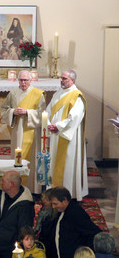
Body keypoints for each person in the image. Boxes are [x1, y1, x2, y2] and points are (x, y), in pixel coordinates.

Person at [1, 70, 46, 193]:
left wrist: (27, 112)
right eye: (21, 80)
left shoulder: (38, 94)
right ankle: (16, 187)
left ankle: (32, 189)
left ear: (30, 81)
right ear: (18, 80)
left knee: (31, 158)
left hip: (32, 132)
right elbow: (4, 109)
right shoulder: (13, 93)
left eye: (26, 80)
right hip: (18, 131)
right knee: (17, 158)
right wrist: (13, 112)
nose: (23, 82)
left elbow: (43, 113)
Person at [46, 70, 87, 201]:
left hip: (68, 136)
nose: (62, 80)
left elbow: (74, 117)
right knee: (54, 161)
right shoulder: (58, 93)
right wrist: (48, 124)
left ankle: (68, 193)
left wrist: (57, 126)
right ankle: (54, 191)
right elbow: (47, 111)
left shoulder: (77, 96)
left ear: (72, 80)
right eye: (61, 78)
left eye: (64, 78)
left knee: (68, 162)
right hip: (55, 134)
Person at [0, 170, 35, 258]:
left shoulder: (25, 205)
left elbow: (24, 231)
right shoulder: (2, 196)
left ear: (11, 184)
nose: (0, 183)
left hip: (11, 252)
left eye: (3, 181)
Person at [50, 186, 101, 258]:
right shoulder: (62, 211)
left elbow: (93, 233)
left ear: (65, 200)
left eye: (55, 203)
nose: (53, 207)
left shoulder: (77, 214)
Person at [35, 188, 58, 258]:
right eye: (44, 198)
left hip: (50, 243)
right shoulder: (43, 212)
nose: (44, 201)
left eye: (47, 200)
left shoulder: (52, 217)